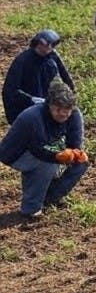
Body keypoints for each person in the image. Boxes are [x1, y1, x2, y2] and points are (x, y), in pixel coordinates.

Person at [0, 79, 89, 218]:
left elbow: (75, 142)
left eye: (67, 110)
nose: (63, 114)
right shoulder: (33, 117)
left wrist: (75, 153)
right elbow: (37, 150)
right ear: (49, 105)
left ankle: (51, 197)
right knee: (46, 166)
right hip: (15, 153)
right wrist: (57, 157)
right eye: (58, 109)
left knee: (81, 163)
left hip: (45, 147)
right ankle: (31, 208)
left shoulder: (74, 115)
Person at [3, 30, 75, 124]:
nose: (51, 48)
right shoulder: (23, 61)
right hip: (26, 104)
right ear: (39, 44)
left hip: (45, 96)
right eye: (49, 45)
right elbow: (11, 89)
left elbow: (65, 76)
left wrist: (72, 93)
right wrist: (31, 99)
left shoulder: (52, 56)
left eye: (53, 45)